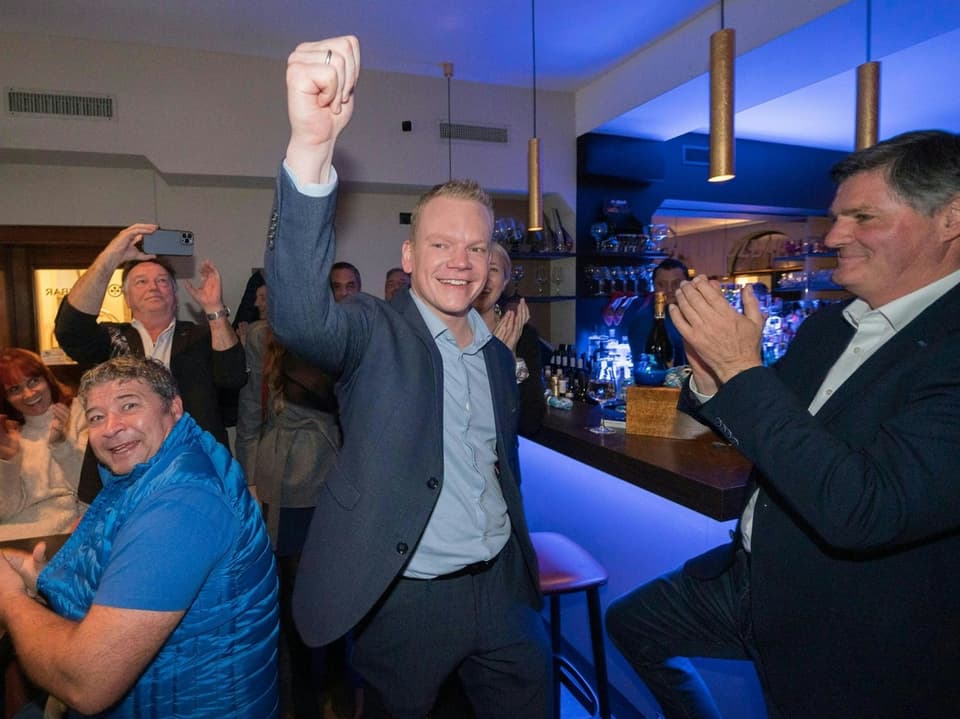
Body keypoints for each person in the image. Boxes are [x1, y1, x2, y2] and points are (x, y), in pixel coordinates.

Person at [605, 130, 960, 718]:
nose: (834, 235)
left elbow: (863, 511)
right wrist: (712, 382)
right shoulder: (830, 325)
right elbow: (768, 433)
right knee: (635, 624)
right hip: (750, 580)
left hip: (856, 624)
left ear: (950, 219)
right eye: (837, 217)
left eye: (862, 216)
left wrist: (741, 373)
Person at [266, 36, 550, 719]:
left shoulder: (492, 348)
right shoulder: (372, 328)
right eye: (441, 244)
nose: (460, 261)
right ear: (408, 252)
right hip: (406, 597)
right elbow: (302, 317)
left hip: (503, 593)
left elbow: (499, 459)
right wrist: (311, 147)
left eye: (476, 247)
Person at [0, 356, 279, 718]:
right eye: (96, 416)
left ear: (174, 408)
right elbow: (117, 581)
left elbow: (87, 682)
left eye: (129, 405)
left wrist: (9, 599)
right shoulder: (147, 472)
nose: (110, 427)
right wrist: (37, 576)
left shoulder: (181, 506)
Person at [236, 285, 348, 719]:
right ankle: (302, 690)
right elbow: (251, 408)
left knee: (334, 587)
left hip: (333, 473)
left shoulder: (338, 336)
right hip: (282, 479)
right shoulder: (262, 337)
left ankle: (336, 679)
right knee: (291, 592)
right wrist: (248, 480)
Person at [53, 226, 247, 451]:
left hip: (195, 462)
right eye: (141, 282)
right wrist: (111, 258)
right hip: (124, 462)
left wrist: (214, 308)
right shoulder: (111, 340)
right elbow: (70, 331)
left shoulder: (201, 336)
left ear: (175, 295)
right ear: (126, 298)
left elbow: (233, 377)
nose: (153, 287)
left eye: (162, 281)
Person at [0, 348, 86, 540]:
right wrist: (10, 461)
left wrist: (61, 442)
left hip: (63, 531)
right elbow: (5, 512)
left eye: (33, 381)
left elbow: (89, 488)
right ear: (6, 399)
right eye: (15, 389)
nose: (29, 394)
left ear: (47, 379)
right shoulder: (7, 436)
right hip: (14, 534)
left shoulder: (80, 413)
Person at [472, 244, 545, 437]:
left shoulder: (522, 334)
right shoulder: (448, 330)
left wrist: (510, 361)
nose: (485, 278)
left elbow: (530, 421)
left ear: (505, 281)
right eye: (478, 267)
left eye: (493, 269)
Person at [626, 257, 688, 369]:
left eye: (676, 283)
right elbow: (644, 368)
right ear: (653, 286)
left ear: (687, 284)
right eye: (661, 284)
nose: (669, 289)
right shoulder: (643, 320)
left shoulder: (696, 315)